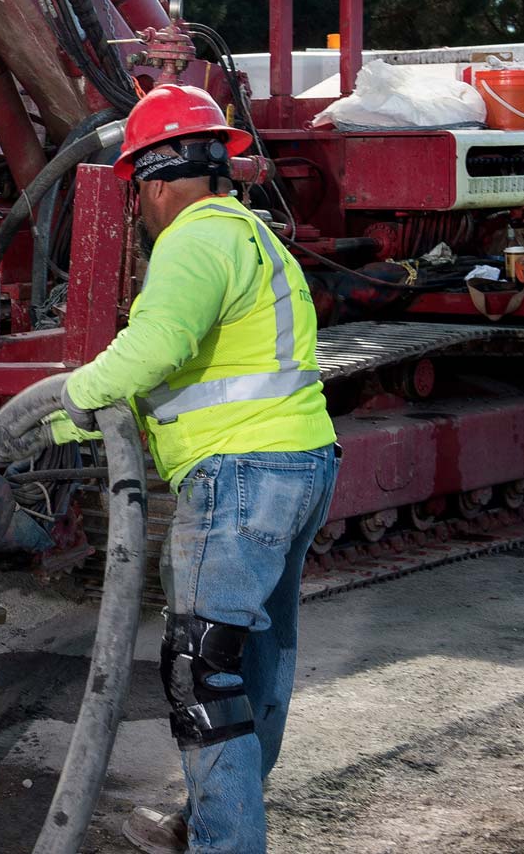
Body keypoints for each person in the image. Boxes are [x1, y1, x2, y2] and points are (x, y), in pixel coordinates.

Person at [55, 85, 338, 854]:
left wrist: (68, 402)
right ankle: (216, 823)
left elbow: (156, 347)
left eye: (135, 192)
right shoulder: (253, 233)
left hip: (240, 475)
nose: (139, 210)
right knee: (253, 665)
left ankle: (225, 844)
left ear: (152, 179)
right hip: (302, 463)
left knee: (200, 676)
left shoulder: (190, 240)